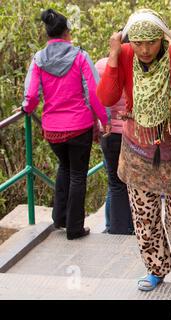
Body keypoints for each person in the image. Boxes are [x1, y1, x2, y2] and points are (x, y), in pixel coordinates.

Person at [96, 9, 171, 291]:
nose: (144, 49)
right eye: (138, 42)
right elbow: (107, 96)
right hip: (139, 148)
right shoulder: (126, 55)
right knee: (145, 216)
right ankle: (156, 268)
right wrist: (113, 53)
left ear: (162, 39)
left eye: (151, 42)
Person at [19, 9, 109, 240]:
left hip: (53, 130)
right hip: (79, 127)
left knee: (64, 168)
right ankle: (74, 228)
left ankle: (59, 218)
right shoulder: (80, 56)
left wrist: (26, 109)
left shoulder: (38, 59)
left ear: (48, 34)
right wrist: (104, 120)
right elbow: (94, 93)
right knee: (78, 175)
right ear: (67, 32)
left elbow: (31, 95)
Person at [95, 58, 134, 235]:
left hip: (108, 131)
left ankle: (112, 225)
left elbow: (94, 97)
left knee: (115, 182)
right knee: (130, 182)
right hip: (131, 132)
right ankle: (123, 228)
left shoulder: (101, 66)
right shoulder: (135, 66)